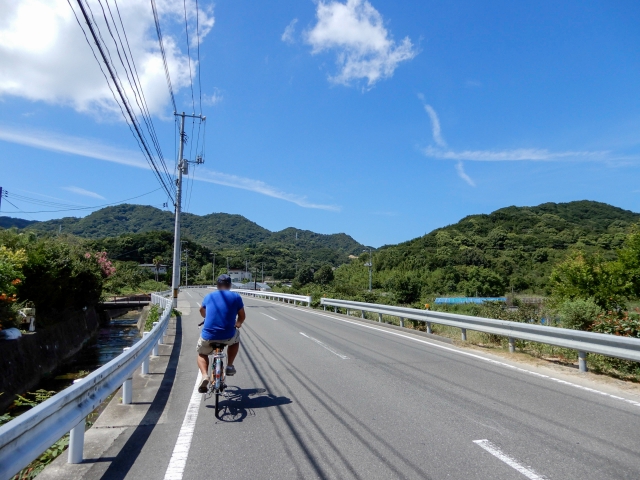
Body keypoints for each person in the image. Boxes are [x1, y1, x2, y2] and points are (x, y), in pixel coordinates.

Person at [197, 274, 246, 393]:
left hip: (209, 336)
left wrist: (206, 317)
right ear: (229, 285)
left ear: (217, 285)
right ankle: (229, 365)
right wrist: (238, 324)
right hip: (228, 335)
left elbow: (201, 310)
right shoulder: (236, 297)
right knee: (236, 340)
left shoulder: (209, 297)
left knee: (202, 353)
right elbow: (242, 316)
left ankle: (204, 375)